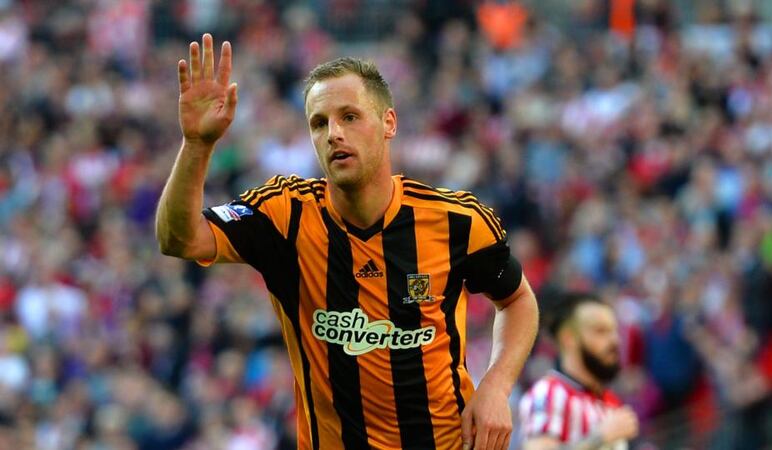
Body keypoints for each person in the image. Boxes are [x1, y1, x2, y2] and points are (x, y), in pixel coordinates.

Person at [155, 33, 539, 450]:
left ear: (389, 123)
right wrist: (197, 145)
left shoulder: (456, 221)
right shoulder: (285, 215)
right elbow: (179, 239)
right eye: (319, 123)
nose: (334, 133)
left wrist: (496, 387)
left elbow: (517, 300)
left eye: (349, 117)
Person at [518, 293, 637, 450]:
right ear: (568, 338)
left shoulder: (610, 401)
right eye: (601, 331)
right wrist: (600, 437)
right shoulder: (549, 393)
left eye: (614, 331)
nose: (615, 340)